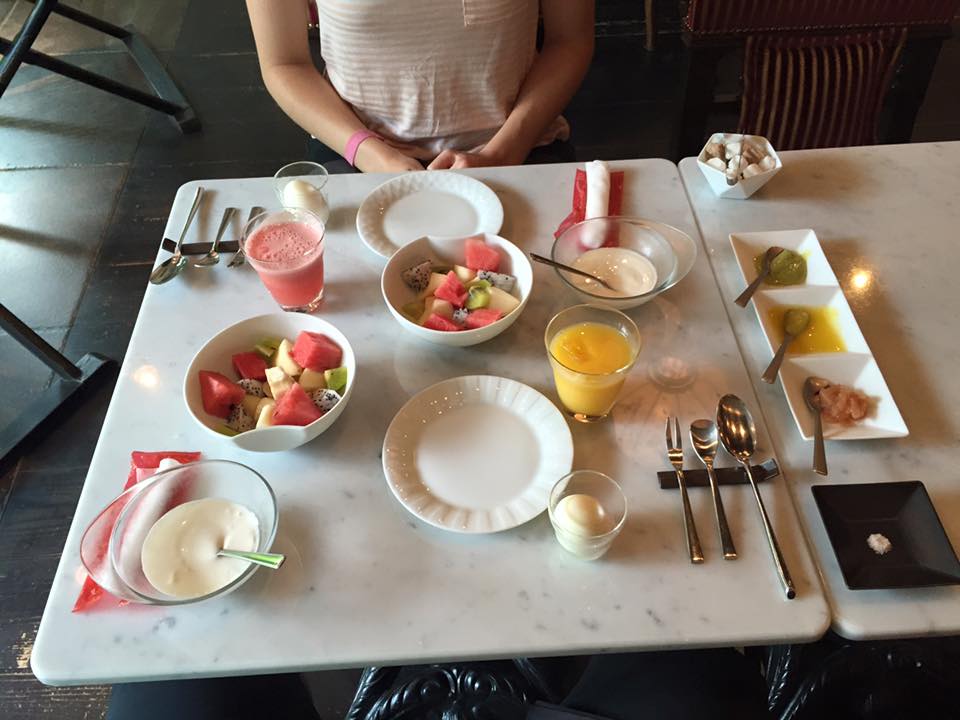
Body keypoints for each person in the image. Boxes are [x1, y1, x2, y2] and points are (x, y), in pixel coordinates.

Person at [245, 0, 595, 172]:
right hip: (352, 147)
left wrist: (503, 153)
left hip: (520, 145)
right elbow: (284, 63)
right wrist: (373, 156)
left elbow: (568, 41)